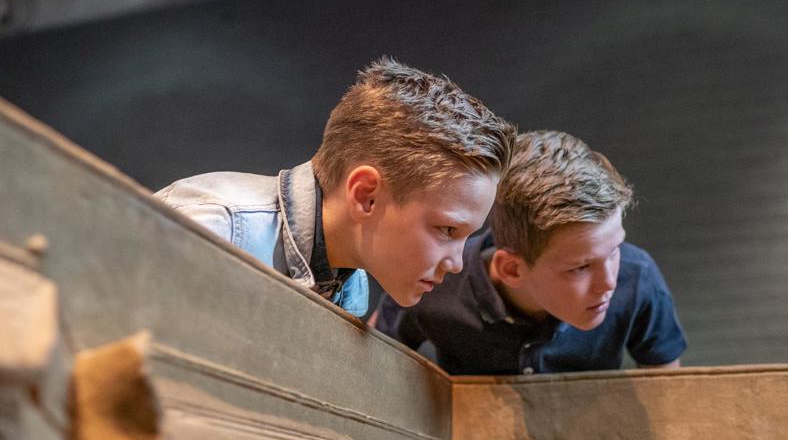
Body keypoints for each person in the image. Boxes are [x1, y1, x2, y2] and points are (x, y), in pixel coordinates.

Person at [155, 58, 515, 317]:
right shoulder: (215, 229)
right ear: (365, 196)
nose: (456, 263)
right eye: (447, 229)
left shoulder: (353, 284)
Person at [375, 130, 687, 373]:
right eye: (580, 267)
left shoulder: (640, 278)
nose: (609, 282)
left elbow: (666, 392)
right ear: (511, 269)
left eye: (615, 250)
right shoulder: (432, 282)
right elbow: (376, 360)